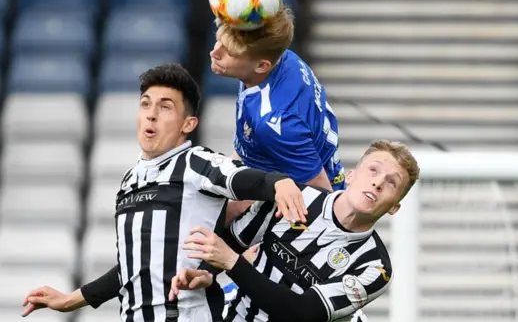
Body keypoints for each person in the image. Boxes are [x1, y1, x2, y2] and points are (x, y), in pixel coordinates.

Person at [20, 63, 308, 322]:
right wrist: (72, 299)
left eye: (165, 107)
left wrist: (277, 182)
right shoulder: (129, 179)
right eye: (146, 105)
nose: (152, 115)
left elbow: (241, 178)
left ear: (188, 124)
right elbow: (134, 266)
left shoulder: (195, 161)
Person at [172, 140, 420, 322]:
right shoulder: (294, 197)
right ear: (351, 175)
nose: (377, 183)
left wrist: (232, 263)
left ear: (395, 208)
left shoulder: (375, 268)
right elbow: (233, 242)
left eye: (391, 182)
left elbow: (304, 313)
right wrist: (205, 272)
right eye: (373, 170)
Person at [210, 6, 345, 197]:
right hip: (267, 165)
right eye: (218, 41)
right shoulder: (283, 58)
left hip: (287, 197)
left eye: (229, 53)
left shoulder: (275, 121)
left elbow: (321, 192)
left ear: (261, 66)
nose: (214, 52)